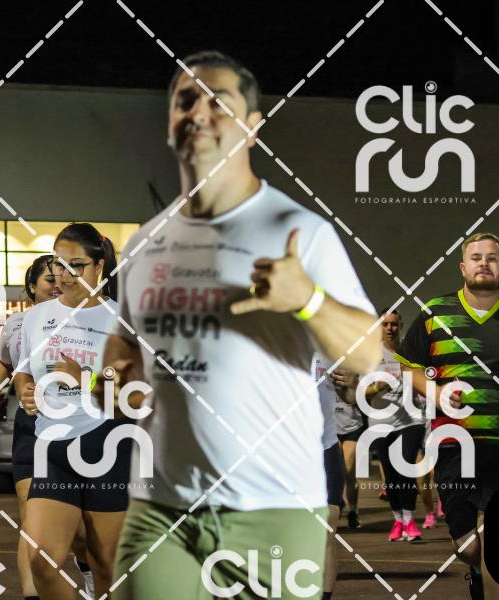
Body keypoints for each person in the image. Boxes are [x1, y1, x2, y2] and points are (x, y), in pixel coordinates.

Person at [107, 51, 380, 599]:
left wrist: (308, 300)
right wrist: (114, 374)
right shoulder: (144, 242)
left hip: (272, 507)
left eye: (219, 102)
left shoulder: (298, 230)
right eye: (185, 100)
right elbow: (124, 344)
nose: (198, 112)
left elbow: (367, 355)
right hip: (162, 508)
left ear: (252, 127)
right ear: (169, 122)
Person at [397, 232, 499, 600]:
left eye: (491, 258)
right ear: (463, 267)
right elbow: (409, 367)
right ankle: (472, 568)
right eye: (476, 258)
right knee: (469, 546)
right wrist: (436, 392)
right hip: (454, 444)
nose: (483, 263)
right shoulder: (434, 313)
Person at [14, 223, 131, 599]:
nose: (65, 276)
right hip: (52, 446)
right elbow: (23, 370)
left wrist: (88, 380)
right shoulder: (37, 316)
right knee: (41, 560)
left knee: (106, 565)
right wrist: (25, 391)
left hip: (107, 447)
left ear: (99, 266)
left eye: (76, 266)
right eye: (59, 266)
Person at [0, 255, 96, 599]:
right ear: (31, 287)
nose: (57, 283)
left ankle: (89, 570)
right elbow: (6, 361)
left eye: (61, 276)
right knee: (29, 510)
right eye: (49, 279)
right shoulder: (18, 323)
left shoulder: (83, 318)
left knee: (80, 530)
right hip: (31, 422)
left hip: (77, 423)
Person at [366, 308, 429, 543]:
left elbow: (426, 379)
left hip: (410, 420)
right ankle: (398, 520)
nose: (390, 328)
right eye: (385, 324)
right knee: (391, 474)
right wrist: (379, 386)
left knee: (405, 467)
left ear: (401, 326)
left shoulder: (411, 351)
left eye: (394, 324)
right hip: (381, 422)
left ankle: (410, 521)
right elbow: (361, 391)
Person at [314, 355, 346, 600]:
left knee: (328, 526)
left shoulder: (330, 346)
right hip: (282, 452)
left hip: (326, 446)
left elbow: (350, 396)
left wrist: (351, 384)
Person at [331, 367, 366, 529]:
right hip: (330, 427)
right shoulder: (319, 363)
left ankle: (353, 511)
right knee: (335, 472)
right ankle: (337, 504)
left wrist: (353, 384)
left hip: (352, 425)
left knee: (349, 470)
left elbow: (361, 396)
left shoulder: (353, 364)